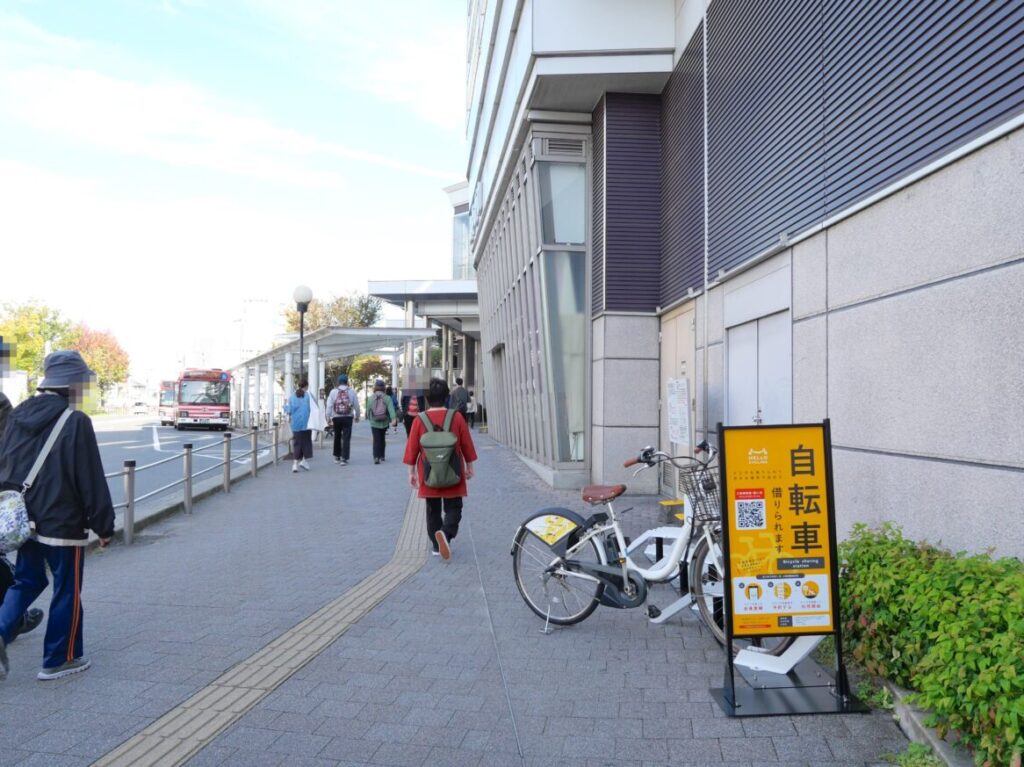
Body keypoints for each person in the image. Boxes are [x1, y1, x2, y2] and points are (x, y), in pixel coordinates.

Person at [0, 350, 114, 681]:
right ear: (73, 385)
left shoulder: (20, 413)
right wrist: (103, 525)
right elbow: (89, 477)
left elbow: (7, 465)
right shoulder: (75, 421)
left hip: (24, 519)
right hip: (62, 523)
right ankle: (59, 659)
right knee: (67, 587)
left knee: (27, 581)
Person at [403, 378, 478, 560]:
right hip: (453, 471)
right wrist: (469, 466)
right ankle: (446, 533)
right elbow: (467, 444)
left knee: (432, 509)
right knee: (454, 508)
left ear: (427, 398)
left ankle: (437, 546)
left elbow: (412, 448)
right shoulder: (457, 417)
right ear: (446, 397)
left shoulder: (420, 420)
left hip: (429, 474)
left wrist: (412, 472)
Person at [325, 374, 360, 465]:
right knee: (346, 437)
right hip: (348, 417)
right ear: (347, 382)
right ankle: (344, 458)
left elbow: (329, 406)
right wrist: (357, 416)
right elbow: (356, 405)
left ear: (338, 382)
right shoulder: (351, 392)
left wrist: (328, 417)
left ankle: (337, 457)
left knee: (337, 436)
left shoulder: (333, 392)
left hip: (336, 417)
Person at [284, 379, 313, 473]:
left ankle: (295, 465)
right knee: (307, 443)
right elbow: (312, 409)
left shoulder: (292, 397)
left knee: (297, 444)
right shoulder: (308, 396)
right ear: (306, 386)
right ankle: (304, 461)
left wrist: (284, 406)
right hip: (306, 424)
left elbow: (288, 411)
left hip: (296, 425)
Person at [365, 379, 397, 464]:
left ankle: (376, 457)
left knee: (376, 439)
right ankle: (382, 455)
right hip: (384, 422)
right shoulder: (387, 398)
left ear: (375, 387)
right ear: (383, 388)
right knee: (382, 438)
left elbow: (368, 410)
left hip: (374, 422)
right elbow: (391, 410)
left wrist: (369, 418)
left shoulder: (371, 398)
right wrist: (394, 419)